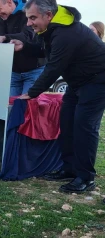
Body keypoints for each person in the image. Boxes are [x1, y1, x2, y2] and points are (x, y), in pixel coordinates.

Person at [11, 0, 105, 194]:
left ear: (49, 15)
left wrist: (31, 93)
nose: (29, 23)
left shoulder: (67, 33)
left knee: (84, 128)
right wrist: (24, 46)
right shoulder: (53, 30)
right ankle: (69, 168)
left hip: (97, 82)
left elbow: (54, 67)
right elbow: (45, 51)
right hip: (77, 82)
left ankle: (86, 178)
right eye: (28, 18)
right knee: (67, 123)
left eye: (33, 18)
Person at [0, 0, 46, 97]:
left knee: (26, 107)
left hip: (33, 71)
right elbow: (0, 40)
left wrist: (6, 37)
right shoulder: (0, 22)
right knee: (11, 106)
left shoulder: (28, 14)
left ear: (9, 2)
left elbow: (28, 35)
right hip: (13, 73)